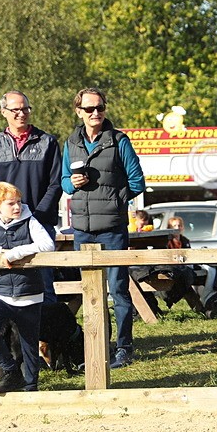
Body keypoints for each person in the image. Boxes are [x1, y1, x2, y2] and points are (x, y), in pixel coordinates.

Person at [61, 88, 146, 368]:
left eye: (99, 107)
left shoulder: (119, 141)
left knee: (118, 290)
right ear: (79, 111)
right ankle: (96, 348)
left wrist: (115, 202)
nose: (95, 113)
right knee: (89, 292)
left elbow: (137, 182)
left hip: (112, 227)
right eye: (89, 109)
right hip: (82, 230)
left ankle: (124, 348)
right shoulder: (70, 142)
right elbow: (63, 181)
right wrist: (72, 184)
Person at [0, 183, 56, 393]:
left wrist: (14, 253)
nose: (17, 207)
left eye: (19, 202)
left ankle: (31, 387)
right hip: (1, 294)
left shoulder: (30, 221)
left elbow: (47, 244)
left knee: (28, 343)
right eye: (11, 203)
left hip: (30, 293)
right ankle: (11, 370)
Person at [0, 91, 63, 304]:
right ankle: (13, 337)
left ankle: (47, 337)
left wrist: (36, 217)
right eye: (15, 109)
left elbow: (55, 184)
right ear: (3, 112)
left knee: (44, 289)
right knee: (6, 290)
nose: (21, 113)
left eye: (25, 108)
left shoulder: (48, 142)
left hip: (40, 226)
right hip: (5, 230)